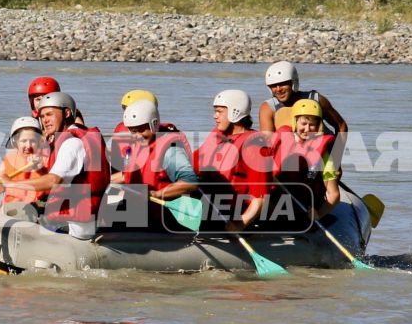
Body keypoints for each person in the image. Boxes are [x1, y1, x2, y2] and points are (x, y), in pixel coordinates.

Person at [17, 90, 108, 239]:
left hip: (74, 225)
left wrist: (13, 184)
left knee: (17, 213)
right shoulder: (81, 135)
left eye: (49, 115)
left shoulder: (72, 143)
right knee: (31, 207)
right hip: (86, 219)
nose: (45, 120)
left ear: (66, 113)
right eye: (42, 116)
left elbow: (54, 181)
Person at [109, 98, 199, 232]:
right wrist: (104, 180)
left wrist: (156, 194)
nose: (136, 136)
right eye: (132, 131)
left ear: (154, 124)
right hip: (142, 211)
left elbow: (190, 183)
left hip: (164, 220)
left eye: (140, 130)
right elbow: (127, 175)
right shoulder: (139, 146)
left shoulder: (170, 151)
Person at [196, 89, 274, 228]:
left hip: (233, 215)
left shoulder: (254, 146)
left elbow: (261, 198)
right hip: (209, 205)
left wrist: (242, 222)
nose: (215, 116)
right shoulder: (217, 136)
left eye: (219, 111)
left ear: (235, 112)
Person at [259, 61, 349, 149]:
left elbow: (341, 126)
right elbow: (268, 145)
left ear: (293, 82)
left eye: (283, 84)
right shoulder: (268, 108)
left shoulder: (316, 99)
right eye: (273, 85)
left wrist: (336, 157)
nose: (278, 89)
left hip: (323, 155)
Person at [273, 97, 340, 216]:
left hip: (305, 208)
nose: (307, 129)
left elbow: (334, 194)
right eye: (303, 124)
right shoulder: (280, 143)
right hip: (278, 204)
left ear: (318, 126)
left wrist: (319, 214)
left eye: (312, 125)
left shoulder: (323, 154)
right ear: (295, 122)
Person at [0, 116, 49, 215]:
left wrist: (40, 169)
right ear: (15, 142)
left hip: (36, 214)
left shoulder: (47, 160)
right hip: (7, 213)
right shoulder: (7, 162)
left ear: (39, 142)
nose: (28, 146)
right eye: (24, 141)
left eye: (33, 141)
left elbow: (53, 187)